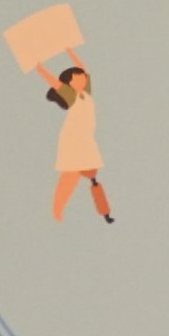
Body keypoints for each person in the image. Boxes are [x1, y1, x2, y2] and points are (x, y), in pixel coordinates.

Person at [32, 52, 113, 223]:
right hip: (74, 140)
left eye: (83, 78)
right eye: (79, 78)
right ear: (70, 83)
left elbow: (83, 68)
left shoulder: (86, 94)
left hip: (85, 140)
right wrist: (40, 68)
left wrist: (70, 51)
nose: (83, 79)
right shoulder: (72, 96)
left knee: (90, 174)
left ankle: (104, 212)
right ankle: (57, 210)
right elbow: (54, 82)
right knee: (71, 176)